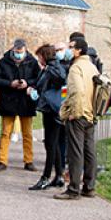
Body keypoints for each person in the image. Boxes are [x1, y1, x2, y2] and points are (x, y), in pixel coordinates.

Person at [55, 36, 98, 200]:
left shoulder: (76, 68)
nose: (68, 49)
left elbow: (76, 92)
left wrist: (74, 112)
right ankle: (89, 186)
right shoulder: (92, 67)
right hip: (91, 113)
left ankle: (73, 189)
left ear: (78, 50)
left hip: (79, 114)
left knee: (75, 152)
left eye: (71, 47)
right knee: (89, 151)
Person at [0, 39, 40, 172]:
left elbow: (38, 78)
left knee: (27, 133)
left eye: (21, 52)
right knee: (6, 133)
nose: (19, 54)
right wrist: (9, 83)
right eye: (17, 52)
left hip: (26, 101)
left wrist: (27, 83)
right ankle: (2, 161)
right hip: (8, 100)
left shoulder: (32, 62)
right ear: (13, 49)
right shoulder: (3, 62)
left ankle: (28, 161)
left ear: (25, 50)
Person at [29, 43, 68, 190]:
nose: (38, 59)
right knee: (53, 143)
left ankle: (46, 176)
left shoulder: (53, 67)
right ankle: (58, 175)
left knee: (51, 144)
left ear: (44, 56)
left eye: (39, 56)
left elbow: (60, 78)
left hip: (53, 110)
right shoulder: (47, 68)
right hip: (48, 109)